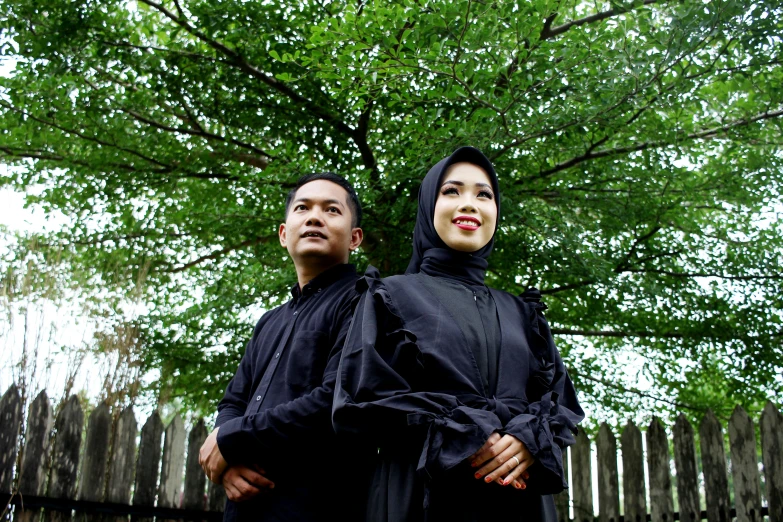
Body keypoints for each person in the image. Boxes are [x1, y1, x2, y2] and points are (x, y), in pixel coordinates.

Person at [332, 146, 584, 521]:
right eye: (451, 191)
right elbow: (358, 400)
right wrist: (466, 430)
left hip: (518, 502)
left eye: (484, 195)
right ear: (427, 208)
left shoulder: (523, 313)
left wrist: (526, 440)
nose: (469, 204)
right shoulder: (389, 296)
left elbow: (559, 403)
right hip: (418, 497)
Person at [199, 172, 370, 521]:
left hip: (316, 507)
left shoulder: (364, 301)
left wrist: (232, 439)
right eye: (303, 208)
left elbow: (334, 401)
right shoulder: (269, 321)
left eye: (331, 210)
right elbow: (234, 400)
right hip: (242, 510)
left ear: (355, 238)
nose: (314, 217)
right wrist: (228, 462)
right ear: (283, 233)